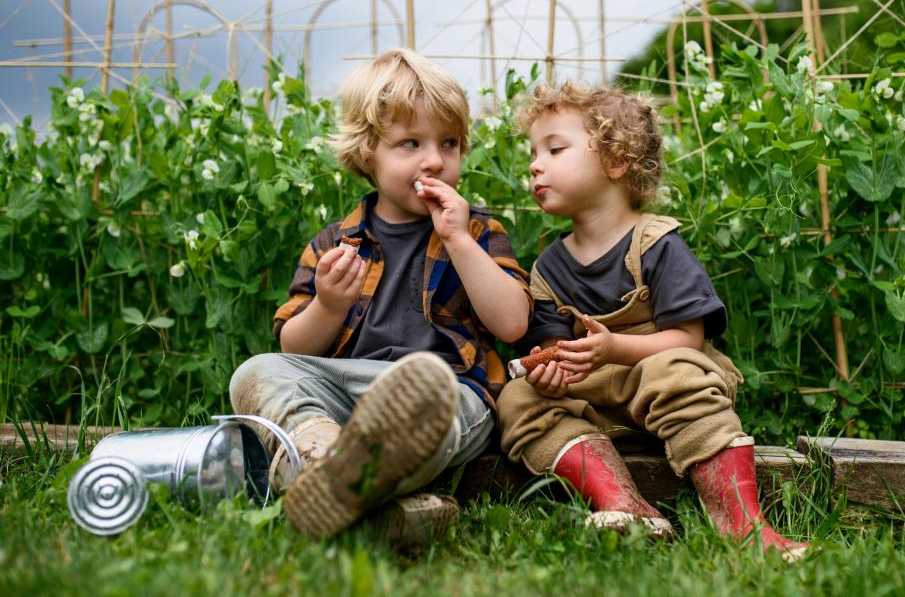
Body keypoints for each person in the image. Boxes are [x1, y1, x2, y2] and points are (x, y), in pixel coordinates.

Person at [230, 48, 532, 542]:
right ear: (367, 150)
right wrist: (328, 305)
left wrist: (457, 240)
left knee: (429, 400)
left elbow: (513, 324)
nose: (435, 160)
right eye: (410, 143)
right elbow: (296, 350)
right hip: (349, 398)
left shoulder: (477, 230)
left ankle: (331, 486)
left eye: (450, 143)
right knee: (258, 371)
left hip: (447, 393)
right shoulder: (334, 243)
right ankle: (330, 468)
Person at [497, 82, 808, 561]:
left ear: (617, 160)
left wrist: (614, 349)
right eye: (533, 152)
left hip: (664, 388)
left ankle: (743, 526)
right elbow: (549, 348)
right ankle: (623, 502)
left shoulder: (656, 243)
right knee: (518, 396)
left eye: (555, 149)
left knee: (678, 370)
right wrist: (549, 373)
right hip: (595, 408)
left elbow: (689, 337)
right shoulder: (548, 269)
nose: (535, 164)